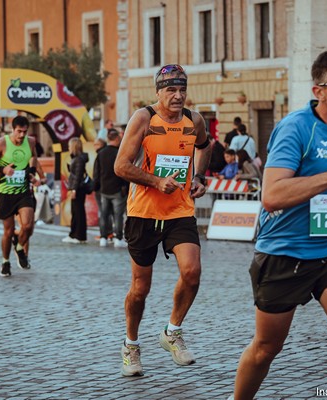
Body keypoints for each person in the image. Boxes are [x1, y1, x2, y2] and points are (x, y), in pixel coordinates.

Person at [231, 50, 327, 399]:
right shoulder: (296, 128)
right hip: (285, 251)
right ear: (319, 91)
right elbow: (273, 195)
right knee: (266, 348)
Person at [114, 63, 211, 377]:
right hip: (143, 213)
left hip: (179, 211)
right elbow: (121, 166)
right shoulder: (144, 118)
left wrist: (198, 175)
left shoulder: (194, 120)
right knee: (140, 288)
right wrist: (156, 181)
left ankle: (172, 332)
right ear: (158, 91)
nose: (178, 96)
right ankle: (131, 345)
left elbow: (205, 146)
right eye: (171, 90)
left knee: (192, 272)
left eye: (182, 89)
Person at [0, 115, 42, 277]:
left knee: (28, 226)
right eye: (19, 131)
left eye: (24, 131)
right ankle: (5, 261)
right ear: (12, 129)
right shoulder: (2, 143)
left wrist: (31, 174)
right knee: (8, 232)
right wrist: (3, 170)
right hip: (6, 192)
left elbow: (33, 157)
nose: (22, 135)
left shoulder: (30, 142)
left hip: (23, 190)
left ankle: (19, 248)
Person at [93, 128, 129, 247]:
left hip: (104, 189)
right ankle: (118, 238)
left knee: (104, 214)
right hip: (118, 189)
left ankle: (103, 237)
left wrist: (97, 187)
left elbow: (96, 172)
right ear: (117, 139)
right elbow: (124, 172)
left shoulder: (101, 153)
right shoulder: (119, 153)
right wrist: (126, 186)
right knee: (118, 215)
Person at [62, 137, 89, 244]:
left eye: (69, 145)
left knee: (77, 212)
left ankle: (77, 235)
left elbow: (77, 176)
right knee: (77, 211)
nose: (68, 147)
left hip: (78, 189)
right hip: (77, 188)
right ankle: (77, 234)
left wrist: (73, 190)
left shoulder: (78, 159)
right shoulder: (78, 158)